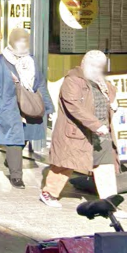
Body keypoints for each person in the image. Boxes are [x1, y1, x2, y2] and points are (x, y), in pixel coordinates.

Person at [45, 49, 117, 207]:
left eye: (100, 66)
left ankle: (110, 203)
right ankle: (49, 193)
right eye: (94, 65)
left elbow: (109, 94)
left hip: (101, 132)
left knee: (105, 167)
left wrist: (112, 102)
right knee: (66, 164)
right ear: (84, 63)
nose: (97, 69)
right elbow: (74, 106)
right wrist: (96, 125)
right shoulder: (72, 80)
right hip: (77, 131)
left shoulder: (101, 82)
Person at [0, 26, 52, 189]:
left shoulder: (31, 60)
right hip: (8, 106)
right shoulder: (0, 61)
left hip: (29, 104)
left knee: (25, 136)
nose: (23, 45)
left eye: (25, 41)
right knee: (14, 139)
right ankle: (16, 175)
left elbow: (40, 84)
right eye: (19, 41)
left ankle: (11, 159)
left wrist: (48, 107)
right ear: (12, 42)